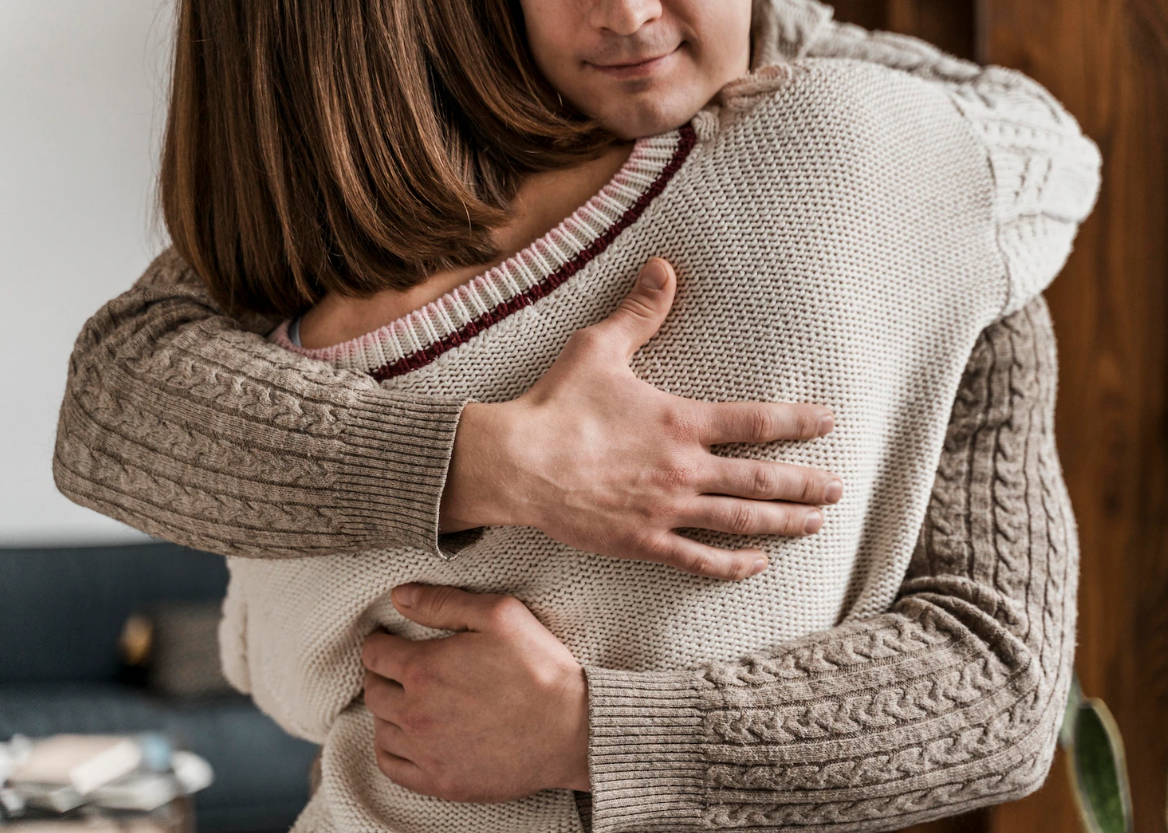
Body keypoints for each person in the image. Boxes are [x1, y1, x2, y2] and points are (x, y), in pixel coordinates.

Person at [53, 1, 1101, 832]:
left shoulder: (939, 215)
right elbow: (110, 401)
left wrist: (589, 730)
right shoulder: (381, 225)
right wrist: (499, 459)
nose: (628, 16)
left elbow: (997, 684)